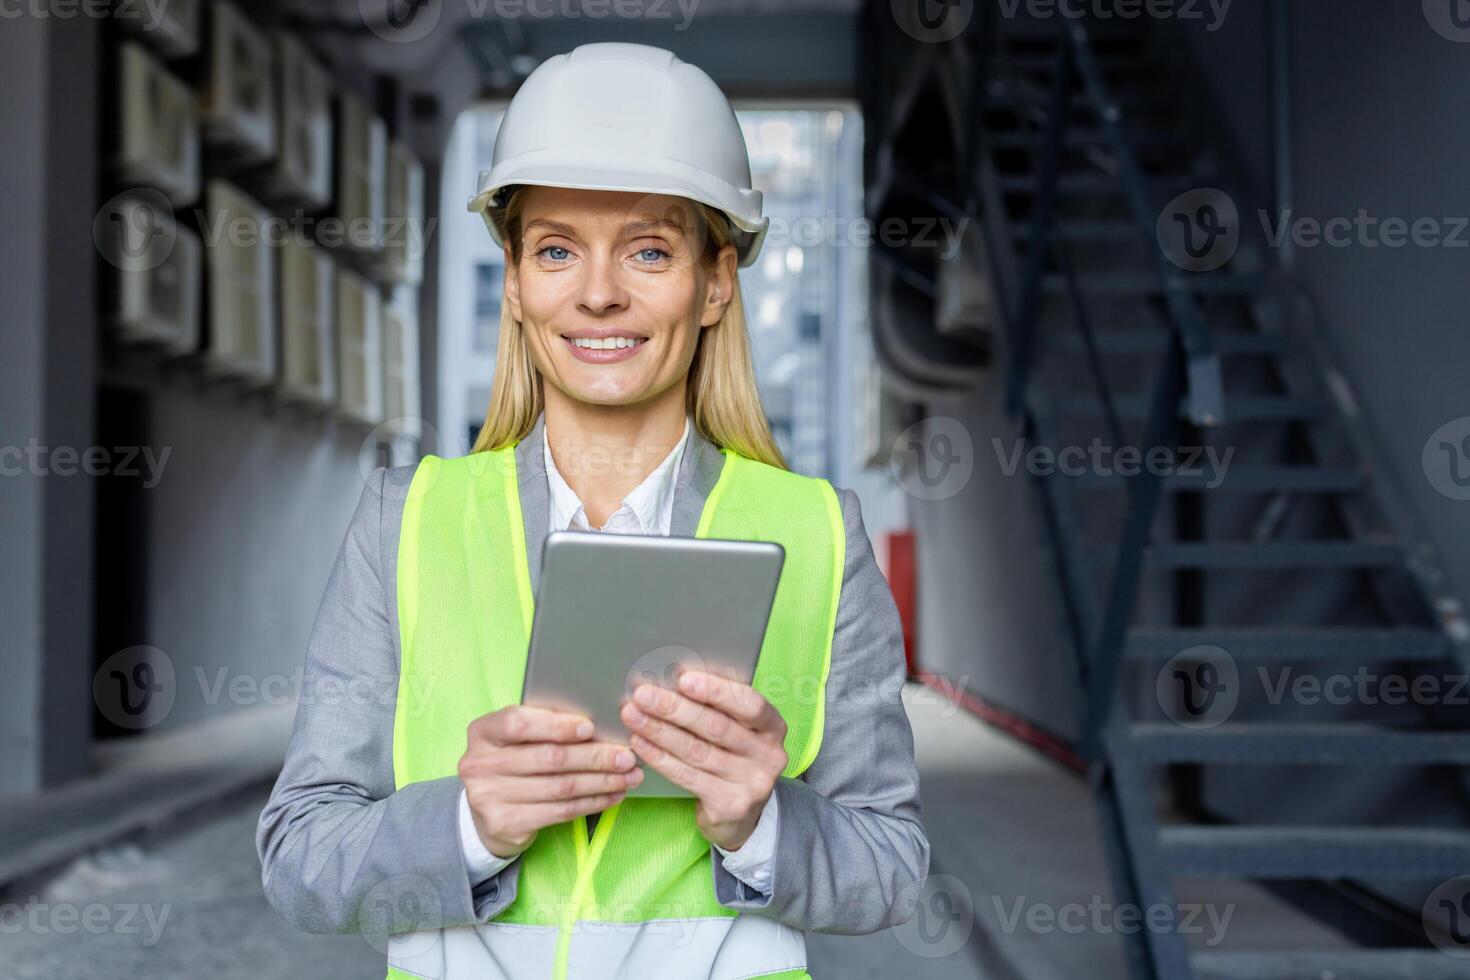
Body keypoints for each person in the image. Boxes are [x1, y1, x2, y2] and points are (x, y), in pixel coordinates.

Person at [256, 41, 928, 980]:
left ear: (716, 282)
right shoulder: (406, 523)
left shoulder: (818, 533)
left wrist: (759, 823)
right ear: (520, 282)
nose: (599, 291)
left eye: (649, 250)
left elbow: (892, 867)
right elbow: (299, 858)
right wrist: (469, 826)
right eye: (558, 249)